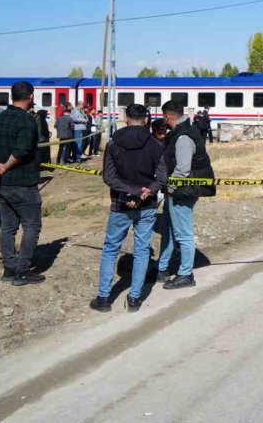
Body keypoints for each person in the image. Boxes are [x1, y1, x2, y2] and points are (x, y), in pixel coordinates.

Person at [90, 104, 168, 313]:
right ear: (145, 120)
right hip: (147, 205)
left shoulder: (113, 143)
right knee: (142, 251)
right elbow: (162, 177)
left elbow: (109, 177)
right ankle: (134, 299)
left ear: (125, 119)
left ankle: (104, 298)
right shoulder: (156, 144)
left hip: (120, 204)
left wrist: (131, 192)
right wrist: (145, 192)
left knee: (110, 250)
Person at [0, 81, 45, 286]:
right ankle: (22, 271)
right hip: (23, 182)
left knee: (7, 227)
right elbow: (23, 150)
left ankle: (8, 268)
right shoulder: (27, 121)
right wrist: (5, 166)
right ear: (31, 96)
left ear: (12, 96)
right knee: (32, 225)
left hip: (1, 184)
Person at [156, 99, 215, 289]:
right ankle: (162, 269)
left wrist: (169, 190)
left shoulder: (183, 137)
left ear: (167, 116)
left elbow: (182, 170)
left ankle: (185, 274)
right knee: (169, 230)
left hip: (182, 191)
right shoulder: (183, 131)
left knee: (182, 233)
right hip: (178, 190)